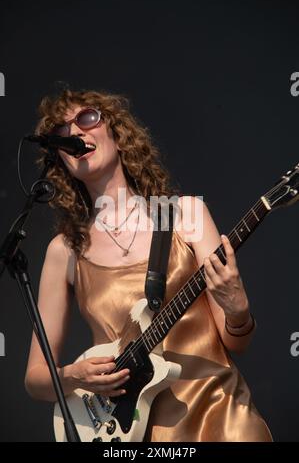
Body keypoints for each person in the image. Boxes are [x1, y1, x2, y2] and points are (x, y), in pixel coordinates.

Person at [24, 88, 272, 442]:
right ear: (60, 158)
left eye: (87, 118)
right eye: (62, 133)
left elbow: (237, 343)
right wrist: (74, 376)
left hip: (222, 417)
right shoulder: (64, 250)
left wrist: (238, 309)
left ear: (118, 133)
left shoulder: (185, 214)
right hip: (133, 433)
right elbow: (36, 379)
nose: (75, 133)